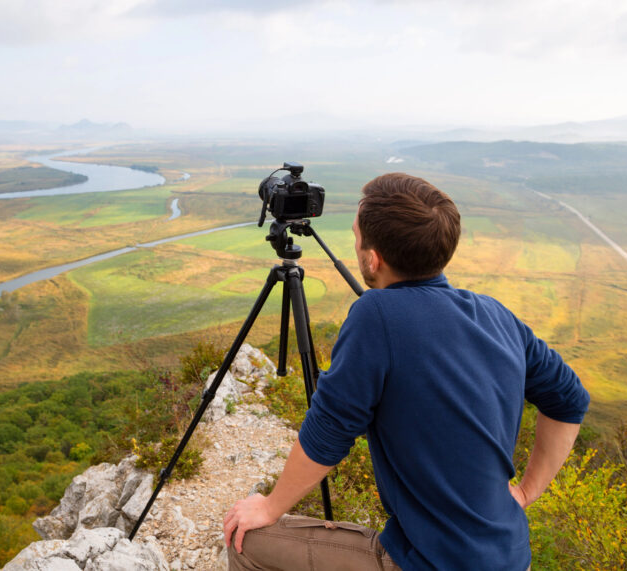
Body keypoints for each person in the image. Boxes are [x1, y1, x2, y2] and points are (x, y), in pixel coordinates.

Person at [223, 173, 590, 570]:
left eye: (357, 237)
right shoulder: (496, 315)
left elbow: (329, 430)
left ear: (373, 259)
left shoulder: (376, 314)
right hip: (511, 557)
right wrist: (526, 492)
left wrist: (269, 507)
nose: (356, 245)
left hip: (430, 562)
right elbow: (570, 400)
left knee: (246, 540)